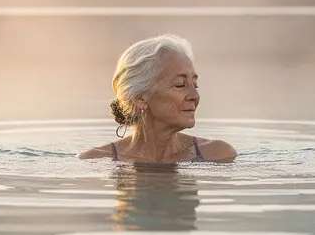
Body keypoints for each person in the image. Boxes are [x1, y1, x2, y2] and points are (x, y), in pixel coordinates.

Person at [78, 34, 237, 163]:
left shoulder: (218, 154)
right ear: (140, 97)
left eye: (195, 84)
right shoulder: (95, 159)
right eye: (180, 84)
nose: (195, 96)